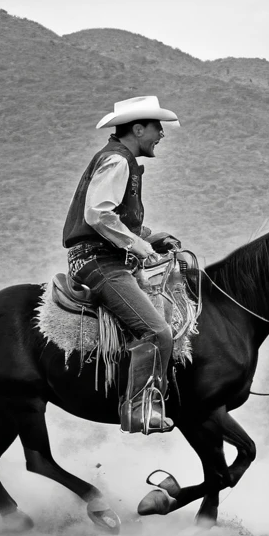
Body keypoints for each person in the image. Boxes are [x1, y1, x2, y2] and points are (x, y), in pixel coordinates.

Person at [62, 95, 182, 433]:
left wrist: (150, 235)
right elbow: (98, 214)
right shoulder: (118, 161)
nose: (161, 135)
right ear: (138, 128)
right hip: (100, 263)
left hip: (103, 258)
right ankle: (139, 411)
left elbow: (115, 219)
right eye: (157, 128)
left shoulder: (120, 159)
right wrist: (140, 246)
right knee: (157, 331)